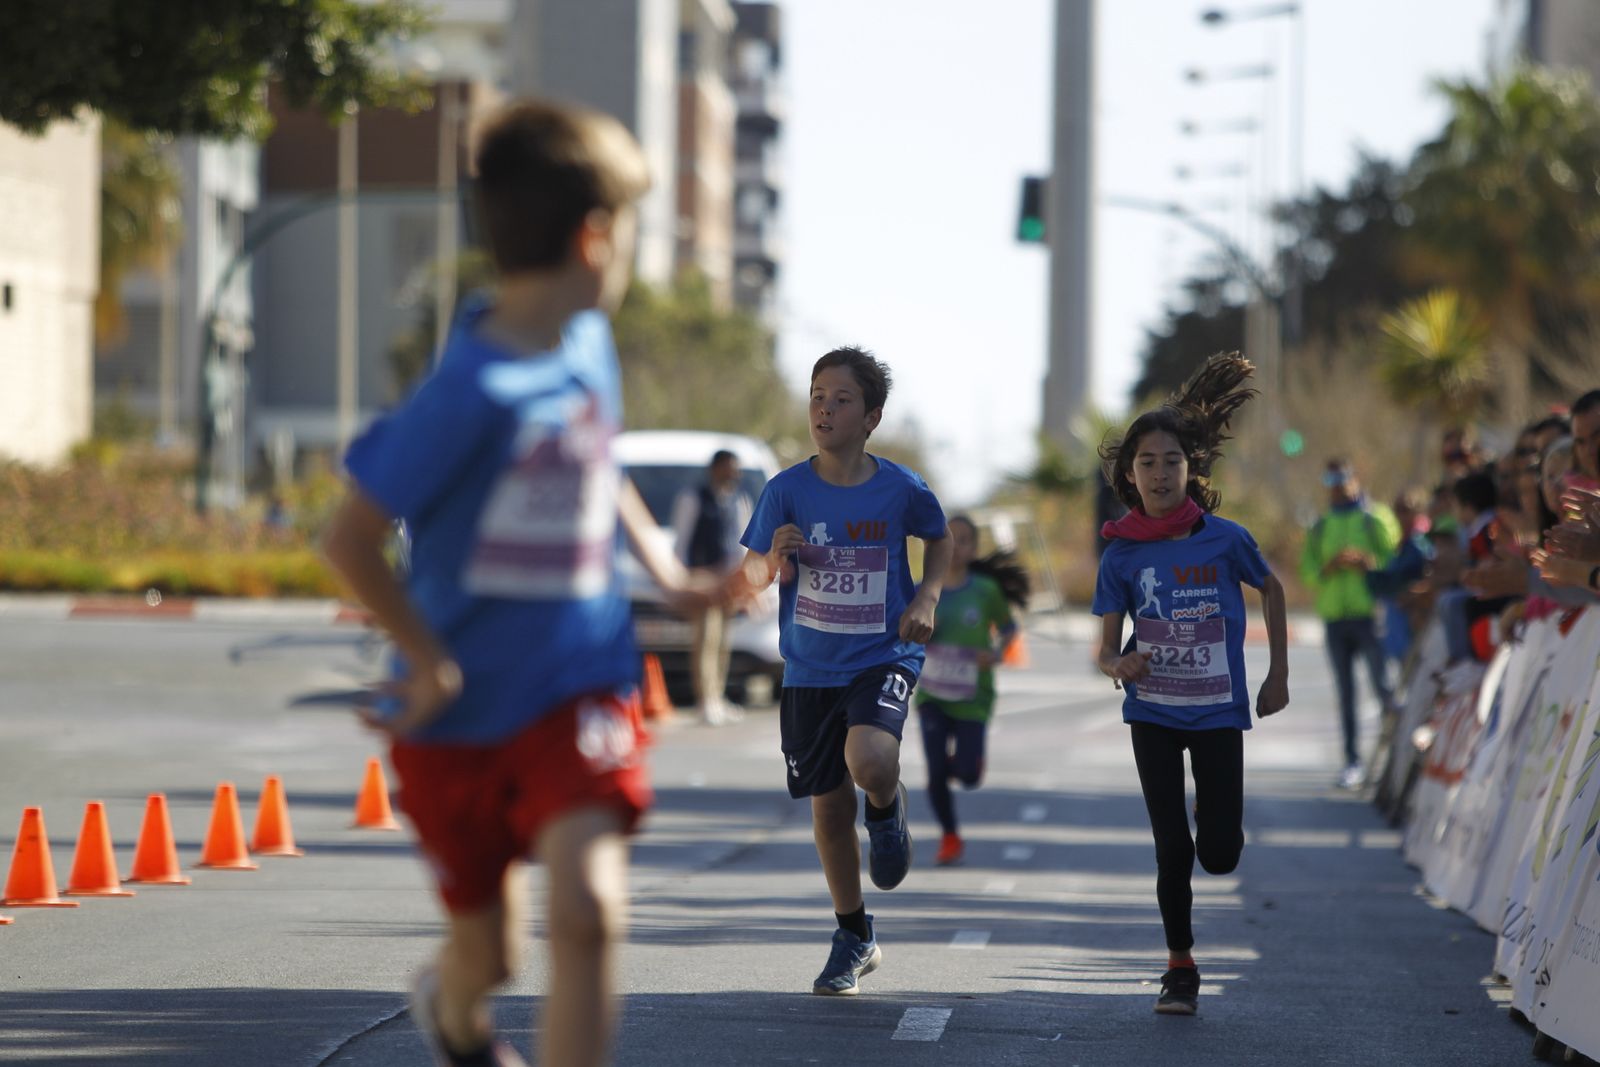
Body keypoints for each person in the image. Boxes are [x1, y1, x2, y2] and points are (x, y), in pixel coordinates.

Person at [322, 100, 709, 1067]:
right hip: (457, 719)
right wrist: (426, 660)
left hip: (575, 690)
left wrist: (667, 571)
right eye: (632, 234)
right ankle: (450, 1008)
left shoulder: (587, 344)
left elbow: (596, 460)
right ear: (595, 239)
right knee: (489, 955)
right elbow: (350, 538)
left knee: (587, 913)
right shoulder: (469, 391)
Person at [734, 345, 952, 996]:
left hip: (882, 654)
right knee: (829, 811)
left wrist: (927, 596)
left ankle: (885, 807)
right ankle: (854, 933)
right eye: (817, 397)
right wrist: (772, 559)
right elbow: (749, 577)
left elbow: (939, 537)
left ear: (871, 417)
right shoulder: (785, 491)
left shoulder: (901, 488)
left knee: (872, 760)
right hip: (809, 669)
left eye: (841, 399)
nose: (824, 409)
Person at [1092, 352, 1289, 1018]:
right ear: (1129, 474)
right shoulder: (1121, 553)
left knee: (1221, 854)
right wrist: (1117, 664)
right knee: (1172, 848)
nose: (1159, 473)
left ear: (1191, 469)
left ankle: (1216, 812)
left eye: (1171, 461)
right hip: (1152, 712)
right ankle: (1180, 966)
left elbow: (1272, 588)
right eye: (1146, 462)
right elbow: (1103, 646)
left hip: (1218, 711)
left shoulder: (1226, 539)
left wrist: (1277, 674)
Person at [913, 514, 1028, 866]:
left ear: (974, 548)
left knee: (968, 775)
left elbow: (1009, 629)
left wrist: (996, 654)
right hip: (932, 694)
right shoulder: (921, 590)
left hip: (973, 696)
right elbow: (902, 632)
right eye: (949, 539)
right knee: (935, 771)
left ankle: (963, 763)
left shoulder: (985, 590)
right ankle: (949, 836)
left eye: (963, 540)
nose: (956, 547)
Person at [1298, 457, 1398, 789]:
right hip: (1335, 619)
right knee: (1346, 694)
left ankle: (1394, 759)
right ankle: (1352, 761)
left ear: (1354, 479)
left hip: (1369, 615)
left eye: (1342, 481)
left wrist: (1367, 563)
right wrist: (1328, 567)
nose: (1337, 489)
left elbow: (1394, 562)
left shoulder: (1375, 518)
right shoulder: (1320, 526)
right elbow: (1307, 572)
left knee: (1383, 688)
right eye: (1330, 483)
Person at [671, 449, 755, 725]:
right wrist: (683, 577)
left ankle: (718, 696)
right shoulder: (693, 497)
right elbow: (682, 540)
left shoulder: (738, 499)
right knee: (705, 638)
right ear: (716, 468)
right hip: (702, 576)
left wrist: (743, 577)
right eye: (729, 467)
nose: (734, 473)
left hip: (729, 579)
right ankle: (705, 700)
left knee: (723, 641)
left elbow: (741, 539)